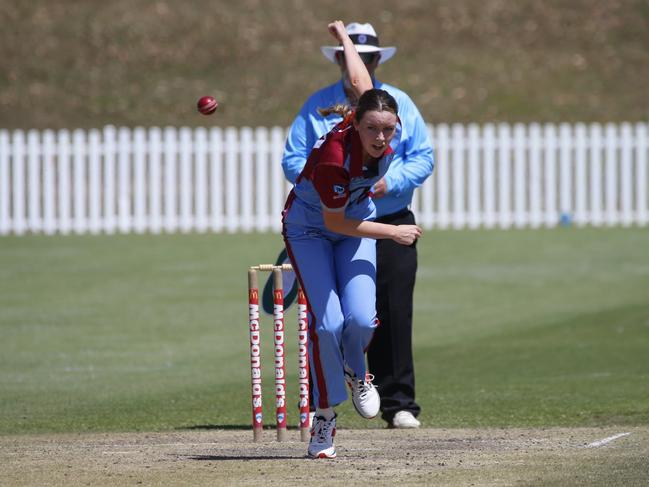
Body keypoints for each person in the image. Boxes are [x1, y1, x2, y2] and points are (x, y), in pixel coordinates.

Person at [282, 22, 434, 430]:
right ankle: (326, 415)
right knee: (329, 322)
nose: (383, 138)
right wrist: (394, 233)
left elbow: (358, 80)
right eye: (373, 129)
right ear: (356, 122)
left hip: (364, 218)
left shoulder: (383, 112)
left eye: (389, 129)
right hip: (321, 225)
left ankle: (365, 379)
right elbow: (336, 219)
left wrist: (343, 37)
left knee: (367, 318)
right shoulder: (335, 155)